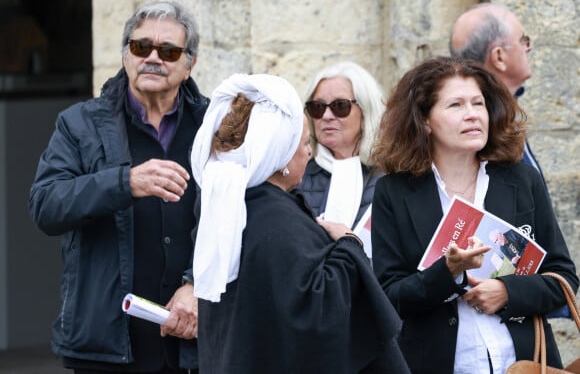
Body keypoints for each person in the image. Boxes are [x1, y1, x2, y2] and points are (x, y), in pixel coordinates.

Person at [28, 1, 208, 373]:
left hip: (193, 342)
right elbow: (45, 205)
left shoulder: (214, 128)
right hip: (106, 345)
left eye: (169, 51)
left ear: (190, 64)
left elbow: (240, 218)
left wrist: (196, 285)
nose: (153, 58)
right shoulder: (79, 124)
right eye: (142, 47)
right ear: (126, 55)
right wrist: (123, 182)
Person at [189, 73, 409, 374]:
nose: (309, 151)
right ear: (279, 155)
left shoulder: (230, 207)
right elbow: (318, 313)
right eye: (304, 143)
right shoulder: (276, 218)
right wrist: (348, 244)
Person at [370, 56, 578, 373]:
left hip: (525, 362)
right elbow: (390, 297)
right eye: (455, 105)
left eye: (478, 103)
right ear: (425, 120)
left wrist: (509, 292)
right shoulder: (394, 193)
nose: (472, 115)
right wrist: (448, 272)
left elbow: (564, 277)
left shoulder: (521, 181)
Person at [449, 2, 547, 185]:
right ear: (499, 57)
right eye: (523, 40)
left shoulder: (502, 113)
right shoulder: (478, 129)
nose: (528, 48)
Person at [296, 61, 385, 231]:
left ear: (366, 111)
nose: (327, 116)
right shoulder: (297, 176)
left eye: (340, 106)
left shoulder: (392, 176)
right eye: (317, 107)